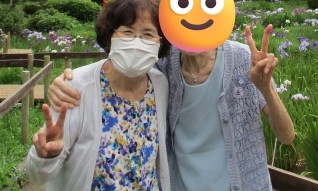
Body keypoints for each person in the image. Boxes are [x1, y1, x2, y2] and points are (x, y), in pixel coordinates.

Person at [48, 26, 295, 191]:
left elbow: (286, 136)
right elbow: (120, 67)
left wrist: (265, 88)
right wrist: (70, 80)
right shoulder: (163, 64)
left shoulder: (242, 59)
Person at [25, 0, 172, 191]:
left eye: (148, 34)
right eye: (127, 31)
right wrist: (46, 156)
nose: (137, 41)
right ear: (110, 36)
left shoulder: (160, 85)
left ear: (160, 42)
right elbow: (37, 175)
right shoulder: (76, 87)